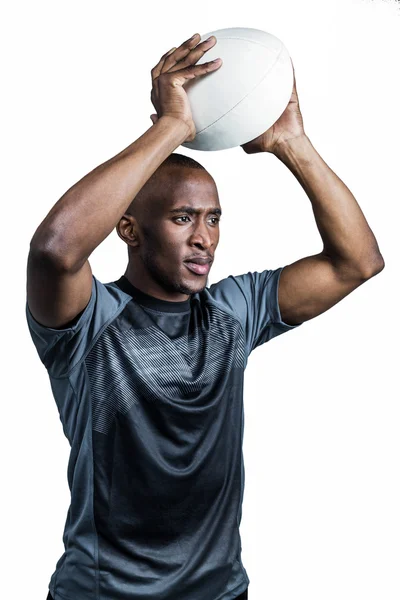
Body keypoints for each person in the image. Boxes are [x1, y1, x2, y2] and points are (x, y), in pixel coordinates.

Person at [26, 31, 384, 600]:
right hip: (103, 593)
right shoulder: (88, 323)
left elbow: (357, 262)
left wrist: (292, 141)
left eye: (213, 219)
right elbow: (55, 249)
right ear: (129, 230)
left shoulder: (232, 313)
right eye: (182, 218)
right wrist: (172, 127)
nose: (204, 240)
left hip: (219, 591)